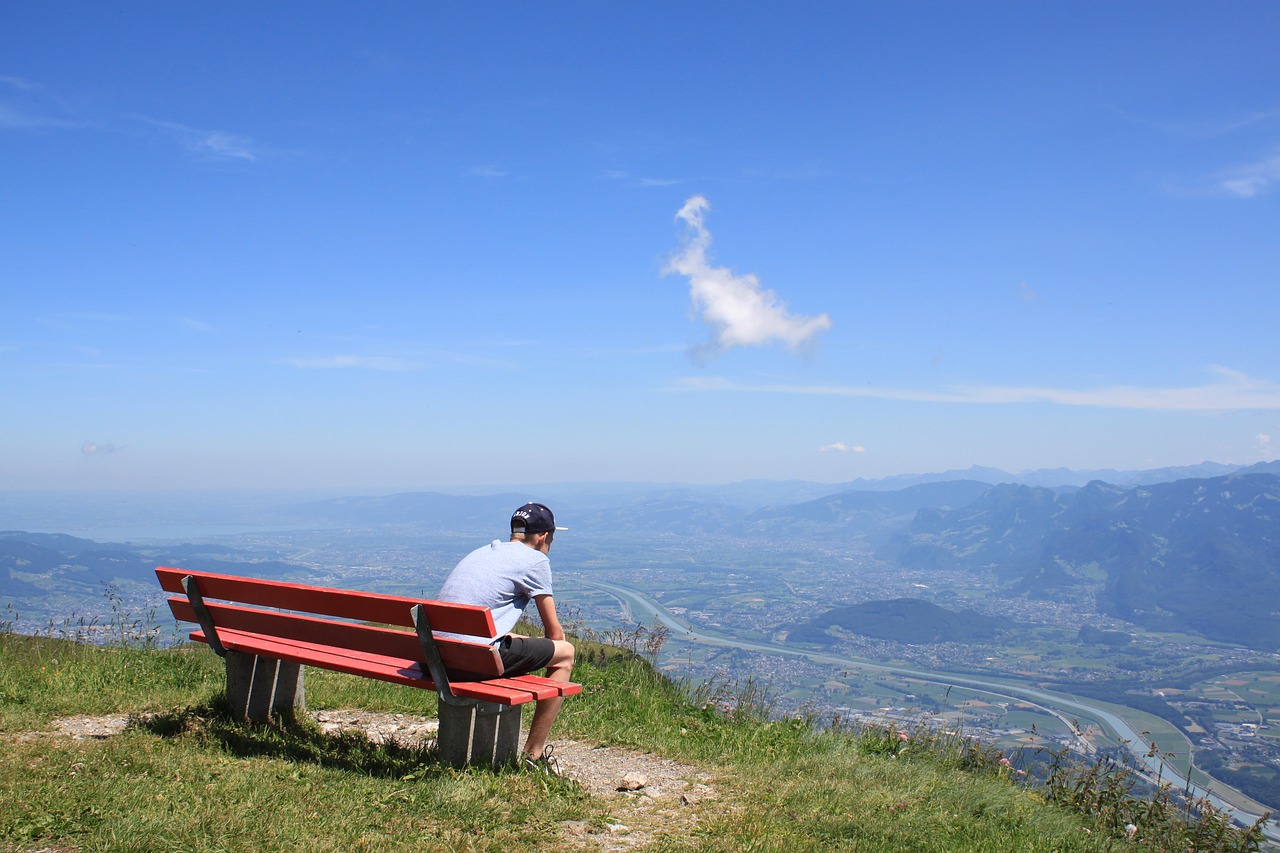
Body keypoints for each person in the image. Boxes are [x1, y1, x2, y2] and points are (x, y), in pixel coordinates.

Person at [435, 501, 575, 762]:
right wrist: (551, 645)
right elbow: (555, 635)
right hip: (472, 662)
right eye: (552, 538)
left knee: (512, 640)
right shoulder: (535, 561)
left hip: (436, 656)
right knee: (565, 653)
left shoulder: (482, 552)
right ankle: (534, 754)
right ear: (543, 536)